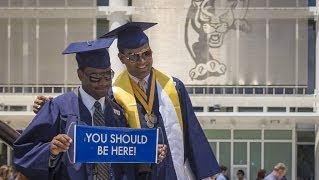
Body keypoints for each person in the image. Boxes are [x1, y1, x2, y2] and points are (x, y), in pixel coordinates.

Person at [33, 22, 220, 179]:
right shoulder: (112, 91)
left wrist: (206, 172)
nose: (142, 61)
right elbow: (86, 107)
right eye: (133, 56)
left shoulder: (173, 86)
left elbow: (192, 130)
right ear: (122, 58)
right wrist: (50, 107)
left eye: (147, 53)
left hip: (172, 169)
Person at [13, 38, 166, 180]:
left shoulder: (117, 111)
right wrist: (50, 150)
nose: (103, 83)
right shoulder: (59, 107)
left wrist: (149, 152)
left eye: (107, 75)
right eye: (95, 77)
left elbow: (125, 158)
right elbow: (24, 151)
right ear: (80, 75)